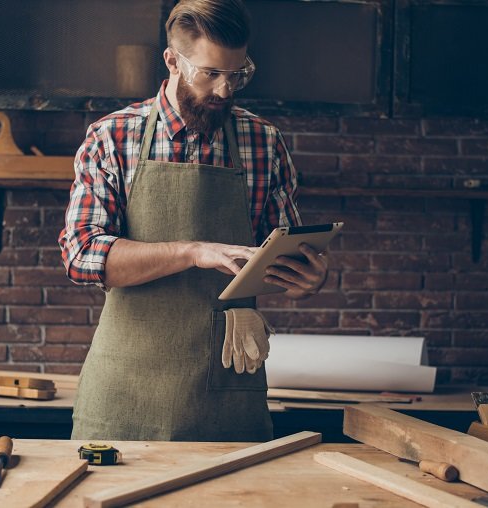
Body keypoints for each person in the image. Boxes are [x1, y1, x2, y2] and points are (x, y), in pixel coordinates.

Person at [58, 0, 328, 442]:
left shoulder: (263, 142)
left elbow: (277, 257)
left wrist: (306, 277)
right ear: (172, 61)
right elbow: (82, 255)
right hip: (125, 393)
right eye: (210, 74)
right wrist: (194, 252)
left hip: (226, 391)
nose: (225, 91)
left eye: (237, 75)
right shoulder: (113, 136)